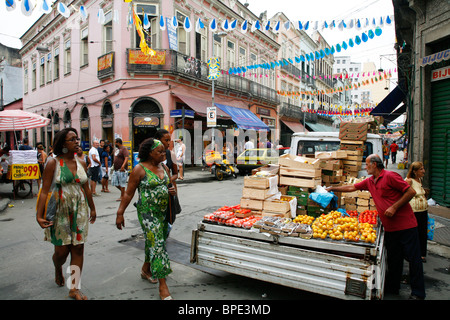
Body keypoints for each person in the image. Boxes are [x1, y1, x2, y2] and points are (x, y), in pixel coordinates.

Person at [327, 154, 425, 300]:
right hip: (390, 228)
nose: (365, 167)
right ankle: (393, 288)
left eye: (367, 164)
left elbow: (410, 192)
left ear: (374, 164)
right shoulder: (370, 181)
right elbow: (352, 187)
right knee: (394, 260)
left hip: (405, 226)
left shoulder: (391, 176)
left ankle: (418, 293)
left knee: (414, 259)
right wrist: (332, 188)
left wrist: (394, 207)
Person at [36, 128, 96, 300]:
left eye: (77, 138)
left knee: (78, 248)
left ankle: (74, 288)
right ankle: (57, 267)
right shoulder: (53, 163)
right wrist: (39, 216)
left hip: (80, 210)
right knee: (61, 253)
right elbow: (45, 191)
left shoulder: (81, 163)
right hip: (60, 212)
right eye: (72, 139)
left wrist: (93, 208)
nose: (77, 141)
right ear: (63, 144)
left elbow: (86, 188)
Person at [115, 138, 176, 300]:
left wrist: (172, 192)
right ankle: (163, 287)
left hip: (163, 213)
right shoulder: (139, 169)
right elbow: (128, 193)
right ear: (150, 153)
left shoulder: (164, 167)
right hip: (147, 214)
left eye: (164, 151)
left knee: (154, 241)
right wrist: (120, 213)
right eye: (160, 151)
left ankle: (145, 269)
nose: (164, 154)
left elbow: (170, 185)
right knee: (158, 244)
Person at [405, 162, 429, 262]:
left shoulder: (420, 180)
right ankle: (410, 253)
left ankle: (421, 253)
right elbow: (404, 194)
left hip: (423, 211)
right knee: (413, 232)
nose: (423, 171)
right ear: (414, 171)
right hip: (413, 211)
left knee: (422, 232)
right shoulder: (409, 181)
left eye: (423, 169)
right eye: (421, 169)